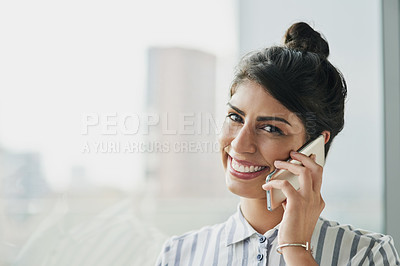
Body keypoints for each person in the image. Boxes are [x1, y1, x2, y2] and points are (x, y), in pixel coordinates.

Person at [155, 22, 400, 266]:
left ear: (315, 145)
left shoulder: (367, 254)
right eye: (235, 117)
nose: (240, 145)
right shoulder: (178, 255)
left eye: (271, 128)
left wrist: (296, 249)